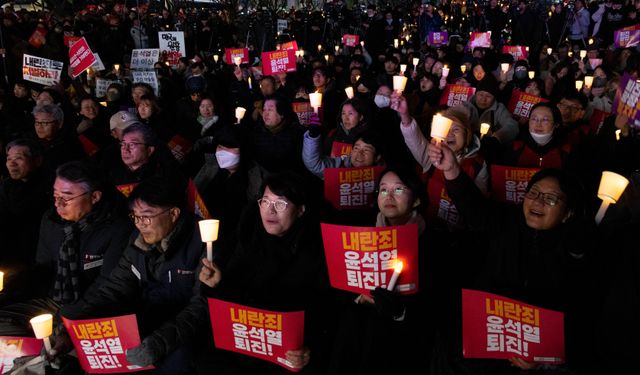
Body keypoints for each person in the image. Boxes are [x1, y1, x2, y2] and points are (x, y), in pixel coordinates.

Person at [427, 142, 594, 373]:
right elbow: (474, 208)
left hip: (532, 358)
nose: (537, 202)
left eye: (551, 199)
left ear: (568, 214)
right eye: (533, 193)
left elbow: (579, 316)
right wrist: (451, 169)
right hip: (482, 344)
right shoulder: (507, 220)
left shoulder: (576, 251)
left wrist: (545, 358)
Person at [61, 177, 205, 374]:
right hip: (146, 319)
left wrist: (160, 342)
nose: (140, 225)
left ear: (173, 213)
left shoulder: (204, 242)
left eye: (146, 216)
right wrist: (70, 324)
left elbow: (201, 306)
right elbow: (115, 287)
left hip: (185, 331)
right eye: (135, 217)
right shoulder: (138, 240)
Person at [197, 172, 334, 374]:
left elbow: (325, 312)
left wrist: (309, 348)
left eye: (280, 204)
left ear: (301, 210)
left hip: (286, 347)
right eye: (265, 201)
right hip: (245, 339)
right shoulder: (246, 236)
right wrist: (217, 284)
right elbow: (229, 301)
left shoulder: (318, 250)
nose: (270, 210)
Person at [327, 167, 433, 374]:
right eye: (383, 190)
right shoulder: (359, 232)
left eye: (399, 189)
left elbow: (434, 310)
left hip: (401, 345)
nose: (389, 196)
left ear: (417, 200)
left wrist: (399, 312)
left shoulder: (432, 243)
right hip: (356, 333)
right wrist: (359, 297)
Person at [35, 161, 131, 303]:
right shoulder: (51, 221)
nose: (58, 204)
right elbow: (43, 266)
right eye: (56, 195)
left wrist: (69, 314)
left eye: (67, 197)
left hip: (95, 305)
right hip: (53, 298)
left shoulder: (117, 228)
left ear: (94, 197)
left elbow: (108, 283)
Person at [0, 139, 50, 276]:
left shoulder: (51, 188)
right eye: (8, 158)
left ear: (37, 160)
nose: (12, 163)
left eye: (19, 158)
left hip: (35, 256)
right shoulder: (6, 186)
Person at [503, 102, 572, 168]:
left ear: (556, 124)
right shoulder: (514, 148)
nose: (538, 124)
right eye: (534, 119)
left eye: (545, 120)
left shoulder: (567, 152)